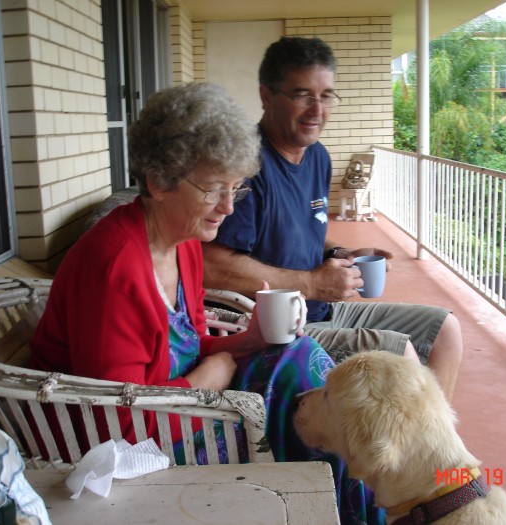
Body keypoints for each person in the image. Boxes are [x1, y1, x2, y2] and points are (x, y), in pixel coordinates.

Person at [29, 82, 383, 524]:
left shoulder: (182, 243)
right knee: (300, 392)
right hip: (134, 447)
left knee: (298, 357)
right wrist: (206, 380)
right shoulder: (114, 270)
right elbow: (118, 430)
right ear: (159, 180)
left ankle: (362, 506)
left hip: (180, 403)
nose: (228, 208)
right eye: (214, 189)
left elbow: (187, 346)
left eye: (236, 189)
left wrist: (243, 343)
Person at [202, 36, 463, 402]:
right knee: (398, 360)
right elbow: (209, 264)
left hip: (323, 309)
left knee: (444, 332)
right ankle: (409, 456)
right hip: (279, 328)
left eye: (326, 96)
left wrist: (340, 252)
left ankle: (436, 453)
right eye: (301, 94)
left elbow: (294, 231)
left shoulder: (318, 157)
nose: (316, 110)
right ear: (266, 95)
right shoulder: (245, 166)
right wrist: (311, 283)